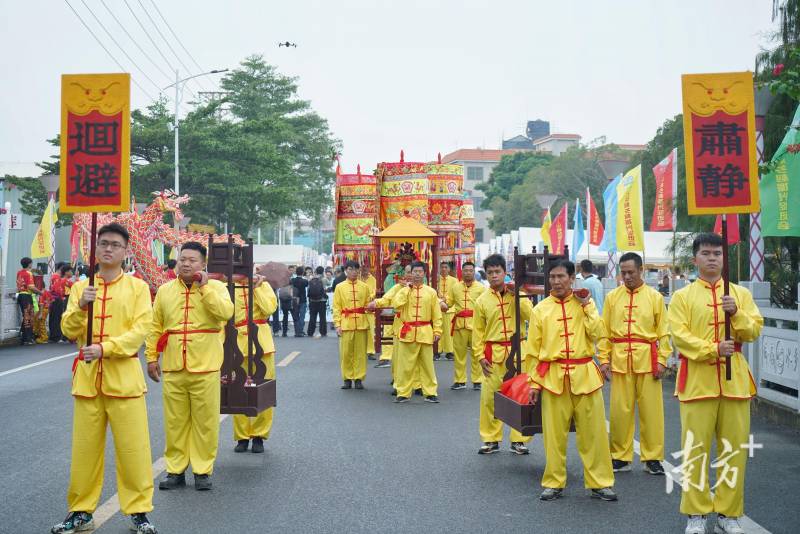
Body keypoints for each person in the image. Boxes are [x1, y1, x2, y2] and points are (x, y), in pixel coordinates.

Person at [51, 223, 157, 534]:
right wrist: (82, 306)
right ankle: (81, 511)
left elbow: (141, 331)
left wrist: (105, 348)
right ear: (95, 249)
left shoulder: (138, 289)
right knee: (84, 451)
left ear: (126, 252)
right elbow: (68, 329)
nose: (108, 249)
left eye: (114, 244)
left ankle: (139, 512)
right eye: (103, 243)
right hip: (87, 382)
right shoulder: (80, 289)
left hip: (124, 380)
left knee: (133, 450)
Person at [667, 233, 763, 534]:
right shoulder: (683, 297)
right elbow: (679, 336)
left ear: (724, 258)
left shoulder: (739, 295)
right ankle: (696, 514)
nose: (712, 258)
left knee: (734, 450)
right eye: (706, 253)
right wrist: (711, 349)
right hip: (697, 382)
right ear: (695, 259)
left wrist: (737, 313)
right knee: (695, 451)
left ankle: (728, 514)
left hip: (734, 383)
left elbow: (754, 330)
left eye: (718, 254)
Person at [145, 241, 234, 492]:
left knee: (205, 422)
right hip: (174, 365)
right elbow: (155, 327)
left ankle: (202, 470)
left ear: (204, 263)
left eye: (192, 260)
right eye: (183, 258)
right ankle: (175, 471)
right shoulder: (165, 291)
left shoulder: (216, 287)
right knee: (175, 422)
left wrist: (204, 288)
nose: (186, 263)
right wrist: (152, 357)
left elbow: (225, 313)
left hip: (206, 366)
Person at [526, 259, 617, 502]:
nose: (556, 281)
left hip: (585, 375)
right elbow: (533, 352)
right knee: (554, 435)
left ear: (571, 278)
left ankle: (600, 483)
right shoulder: (540, 310)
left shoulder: (585, 304)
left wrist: (587, 306)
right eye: (552, 277)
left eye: (561, 277)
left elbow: (600, 333)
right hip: (553, 377)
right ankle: (554, 482)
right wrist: (534, 384)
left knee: (594, 433)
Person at [598, 252, 670, 476]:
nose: (627, 276)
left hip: (648, 359)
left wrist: (662, 360)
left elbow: (664, 332)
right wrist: (603, 359)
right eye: (623, 272)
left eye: (631, 272)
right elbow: (604, 331)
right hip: (620, 360)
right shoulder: (612, 298)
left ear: (641, 271)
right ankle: (620, 456)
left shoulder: (654, 297)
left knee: (652, 413)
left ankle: (653, 457)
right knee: (620, 411)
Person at [472, 254, 533, 454]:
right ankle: (491, 438)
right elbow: (478, 332)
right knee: (490, 398)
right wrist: (480, 356)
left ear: (505, 273)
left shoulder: (517, 294)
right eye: (490, 273)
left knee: (520, 395)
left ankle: (519, 439)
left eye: (498, 272)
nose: (494, 276)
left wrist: (517, 294)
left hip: (518, 352)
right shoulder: (481, 300)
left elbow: (530, 315)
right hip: (494, 353)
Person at [232, 272, 278, 454]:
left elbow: (269, 309)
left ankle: (259, 435)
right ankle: (242, 436)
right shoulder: (228, 287)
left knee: (263, 388)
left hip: (262, 343)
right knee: (238, 390)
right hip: (236, 343)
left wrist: (256, 288)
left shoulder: (263, 285)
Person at [390, 261, 442, 403]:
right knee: (405, 366)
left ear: (424, 274)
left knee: (427, 365)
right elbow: (396, 305)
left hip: (425, 331)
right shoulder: (403, 290)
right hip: (408, 331)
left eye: (420, 272)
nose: (417, 274)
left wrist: (437, 330)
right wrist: (407, 290)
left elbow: (437, 314)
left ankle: (431, 393)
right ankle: (403, 393)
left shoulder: (431, 292)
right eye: (415, 272)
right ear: (410, 274)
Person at [332, 260, 372, 389]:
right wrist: (337, 324)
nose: (353, 272)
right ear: (345, 270)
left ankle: (359, 378)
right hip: (346, 323)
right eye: (350, 269)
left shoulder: (364, 286)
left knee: (360, 353)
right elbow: (336, 307)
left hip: (361, 323)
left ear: (359, 270)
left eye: (355, 269)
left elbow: (367, 304)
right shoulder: (340, 287)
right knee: (346, 352)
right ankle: (347, 378)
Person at [447, 261, 486, 391]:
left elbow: (485, 306)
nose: (468, 272)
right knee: (459, 354)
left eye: (470, 270)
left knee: (477, 354)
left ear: (474, 272)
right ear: (461, 272)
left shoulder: (481, 288)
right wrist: (440, 303)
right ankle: (460, 380)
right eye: (466, 270)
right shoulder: (455, 287)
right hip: (459, 325)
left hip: (476, 324)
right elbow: (449, 303)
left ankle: (477, 380)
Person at [16, 257, 41, 345]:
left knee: (26, 315)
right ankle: (27, 338)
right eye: (31, 263)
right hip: (26, 295)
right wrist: (40, 292)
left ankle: (24, 337)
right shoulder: (28, 273)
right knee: (28, 316)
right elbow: (31, 287)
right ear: (29, 264)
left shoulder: (19, 272)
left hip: (20, 295)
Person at [436, 261, 458, 361]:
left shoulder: (454, 280)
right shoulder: (435, 279)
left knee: (449, 331)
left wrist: (445, 299)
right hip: (437, 307)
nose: (444, 269)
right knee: (438, 329)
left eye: (446, 267)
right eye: (442, 267)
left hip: (450, 309)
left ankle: (449, 351)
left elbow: (455, 293)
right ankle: (437, 351)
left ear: (449, 269)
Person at [49, 264, 74, 343]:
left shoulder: (57, 277)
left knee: (56, 317)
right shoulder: (57, 277)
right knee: (57, 318)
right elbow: (57, 290)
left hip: (57, 298)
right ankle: (56, 336)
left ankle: (56, 336)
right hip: (57, 298)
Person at [358, 263, 378, 359]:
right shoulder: (357, 278)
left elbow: (374, 291)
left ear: (369, 267)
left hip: (369, 308)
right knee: (359, 330)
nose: (364, 269)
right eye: (362, 267)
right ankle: (360, 350)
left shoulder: (373, 279)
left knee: (370, 330)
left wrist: (369, 297)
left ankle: (370, 351)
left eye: (366, 267)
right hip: (358, 308)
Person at [307, 266, 328, 337]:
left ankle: (310, 332)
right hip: (322, 300)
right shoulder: (324, 279)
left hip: (312, 300)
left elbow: (309, 289)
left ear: (316, 271)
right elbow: (328, 285)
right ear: (323, 271)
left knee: (312, 316)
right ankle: (323, 332)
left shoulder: (311, 279)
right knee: (322, 317)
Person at [292, 266, 309, 337]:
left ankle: (297, 331)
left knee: (296, 316)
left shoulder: (293, 280)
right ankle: (301, 331)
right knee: (302, 316)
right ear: (302, 273)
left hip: (295, 299)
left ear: (296, 272)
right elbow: (307, 284)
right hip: (303, 300)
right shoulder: (305, 281)